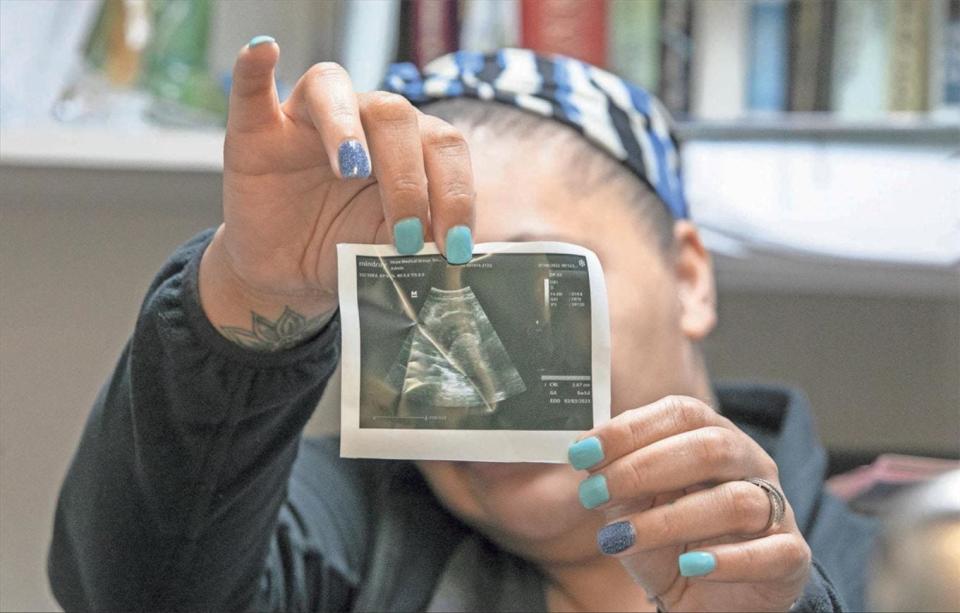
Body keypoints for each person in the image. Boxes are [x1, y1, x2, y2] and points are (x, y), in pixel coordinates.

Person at [48, 43, 878, 612]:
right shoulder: (346, 522)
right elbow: (140, 586)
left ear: (689, 277)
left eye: (529, 288)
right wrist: (251, 286)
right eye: (420, 307)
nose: (479, 371)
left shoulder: (909, 564)